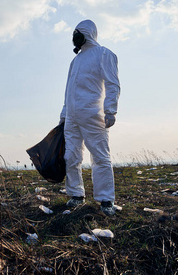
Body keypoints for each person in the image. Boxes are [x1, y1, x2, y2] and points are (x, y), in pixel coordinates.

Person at [59, 19, 120, 216]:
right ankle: (76, 195)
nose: (74, 36)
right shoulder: (75, 61)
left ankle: (106, 200)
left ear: (88, 32)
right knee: (71, 156)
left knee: (100, 156)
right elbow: (68, 90)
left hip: (92, 113)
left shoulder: (104, 54)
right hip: (72, 116)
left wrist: (110, 110)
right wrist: (63, 114)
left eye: (78, 32)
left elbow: (113, 84)